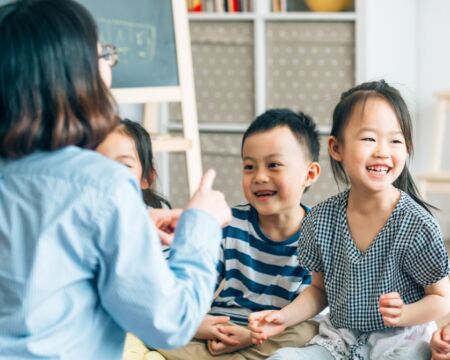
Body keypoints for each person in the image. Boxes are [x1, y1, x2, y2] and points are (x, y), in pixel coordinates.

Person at [0, 1, 230, 359]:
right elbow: (169, 321)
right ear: (75, 76)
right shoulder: (101, 185)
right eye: (102, 56)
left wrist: (131, 221)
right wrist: (203, 224)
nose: (108, 68)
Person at [249, 80, 450, 360]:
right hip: (341, 339)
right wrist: (282, 318)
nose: (382, 151)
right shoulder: (321, 220)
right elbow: (319, 290)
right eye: (369, 139)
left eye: (395, 140)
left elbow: (442, 298)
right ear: (336, 147)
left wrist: (405, 313)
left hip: (402, 340)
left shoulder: (415, 224)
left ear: (406, 149)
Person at [158, 109, 321, 360]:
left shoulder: (320, 232)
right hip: (222, 326)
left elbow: (314, 300)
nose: (260, 177)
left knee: (308, 333)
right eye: (249, 166)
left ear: (309, 175)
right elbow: (196, 286)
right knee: (154, 328)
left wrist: (254, 335)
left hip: (278, 330)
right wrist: (200, 325)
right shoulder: (230, 223)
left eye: (274, 165)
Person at [97, 118, 175, 253]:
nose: (110, 172)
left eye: (125, 165)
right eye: (100, 162)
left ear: (146, 179)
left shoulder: (157, 225)